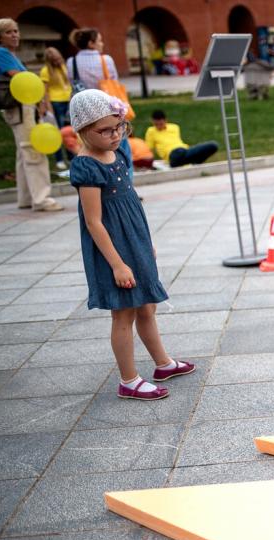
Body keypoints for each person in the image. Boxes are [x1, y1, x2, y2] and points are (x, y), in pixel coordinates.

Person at [68, 90, 194, 401]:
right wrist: (118, 264)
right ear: (82, 130)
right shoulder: (86, 167)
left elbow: (131, 204)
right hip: (114, 249)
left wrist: (145, 244)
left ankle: (163, 363)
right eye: (105, 130)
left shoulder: (120, 153)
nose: (115, 135)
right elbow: (93, 222)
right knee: (123, 314)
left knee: (147, 306)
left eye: (119, 127)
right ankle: (129, 379)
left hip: (135, 241)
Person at [0, 18, 62, 212]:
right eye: (9, 32)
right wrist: (40, 97)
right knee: (33, 151)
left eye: (16, 31)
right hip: (21, 107)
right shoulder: (1, 53)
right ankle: (42, 199)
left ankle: (25, 197)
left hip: (21, 108)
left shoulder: (9, 54)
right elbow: (21, 79)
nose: (14, 35)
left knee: (23, 152)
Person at [144, 110, 219, 168]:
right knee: (180, 154)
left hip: (183, 150)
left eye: (161, 124)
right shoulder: (151, 131)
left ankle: (195, 162)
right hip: (172, 155)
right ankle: (193, 160)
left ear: (165, 120)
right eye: (156, 124)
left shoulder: (174, 127)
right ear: (152, 121)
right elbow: (148, 149)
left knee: (213, 145)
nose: (158, 126)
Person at [40, 47, 72, 170]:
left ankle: (71, 156)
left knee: (69, 131)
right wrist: (48, 107)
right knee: (57, 131)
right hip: (56, 103)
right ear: (50, 61)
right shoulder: (45, 71)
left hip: (68, 101)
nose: (58, 61)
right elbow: (45, 91)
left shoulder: (64, 67)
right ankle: (59, 159)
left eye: (59, 58)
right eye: (55, 60)